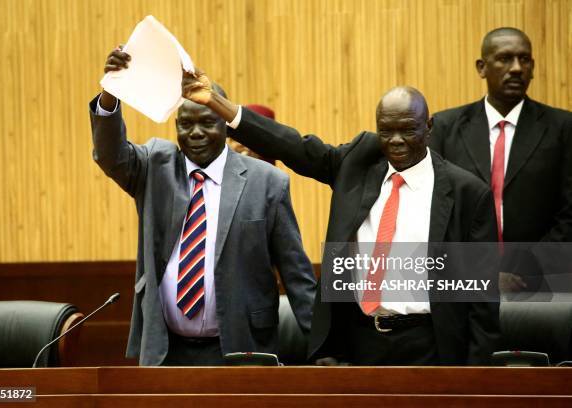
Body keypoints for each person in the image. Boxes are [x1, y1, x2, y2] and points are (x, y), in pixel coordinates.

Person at [182, 72, 500, 365]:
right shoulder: (359, 163)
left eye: (408, 129)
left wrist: (476, 377)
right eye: (386, 131)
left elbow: (482, 302)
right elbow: (293, 147)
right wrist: (219, 105)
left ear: (428, 127)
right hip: (361, 342)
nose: (396, 141)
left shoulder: (467, 194)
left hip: (431, 344)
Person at [89, 47, 316, 366]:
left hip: (240, 344)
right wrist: (111, 94)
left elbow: (297, 274)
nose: (195, 133)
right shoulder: (155, 166)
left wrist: (325, 347)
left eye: (207, 123)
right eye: (185, 125)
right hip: (167, 348)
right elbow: (110, 155)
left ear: (226, 124)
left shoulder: (267, 182)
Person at [429, 27, 572, 297]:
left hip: (543, 285)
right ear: (482, 67)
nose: (517, 68)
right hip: (465, 286)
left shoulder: (563, 128)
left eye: (525, 59)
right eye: (505, 58)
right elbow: (436, 212)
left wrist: (526, 268)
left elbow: (569, 212)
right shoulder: (445, 128)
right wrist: (481, 271)